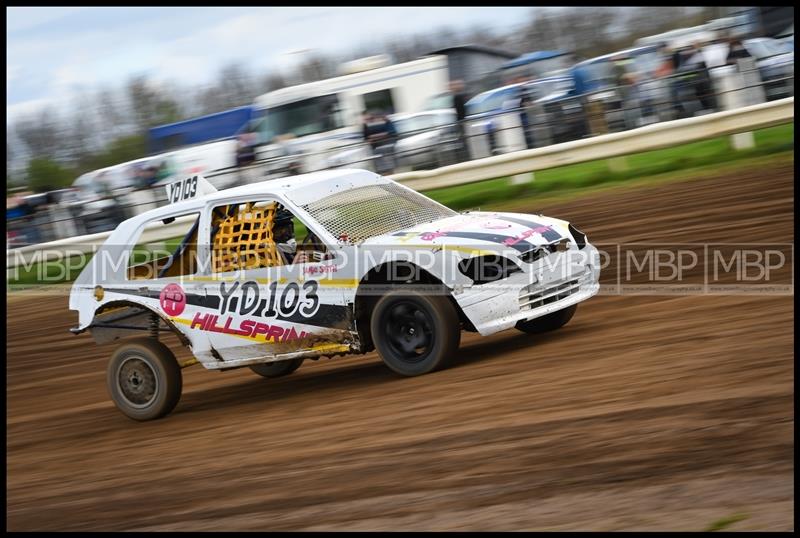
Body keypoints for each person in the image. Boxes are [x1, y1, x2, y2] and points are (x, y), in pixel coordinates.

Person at [449, 79, 469, 161]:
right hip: (462, 121)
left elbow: (458, 110)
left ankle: (464, 156)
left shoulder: (457, 96)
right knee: (464, 139)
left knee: (463, 139)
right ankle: (464, 156)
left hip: (461, 121)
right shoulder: (459, 96)